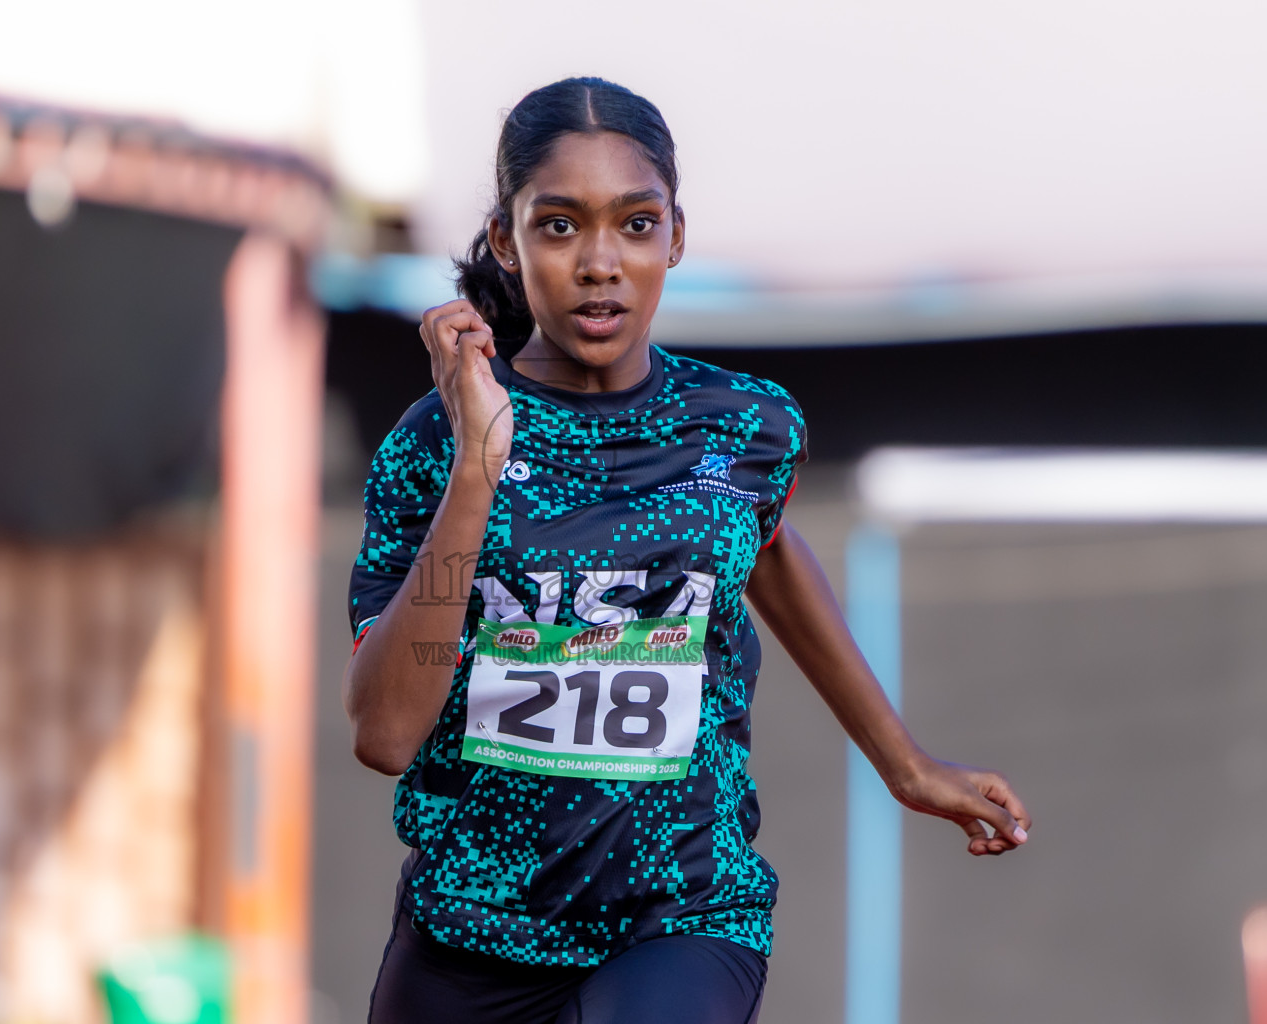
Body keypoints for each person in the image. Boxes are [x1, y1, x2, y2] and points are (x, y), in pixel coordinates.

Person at [343, 77, 1031, 1024]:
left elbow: (767, 551)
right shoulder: (434, 443)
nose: (600, 264)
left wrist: (903, 763)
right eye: (558, 227)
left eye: (635, 224)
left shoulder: (742, 427)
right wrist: (477, 468)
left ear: (674, 236)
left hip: (680, 915)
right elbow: (385, 736)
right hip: (472, 933)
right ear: (506, 239)